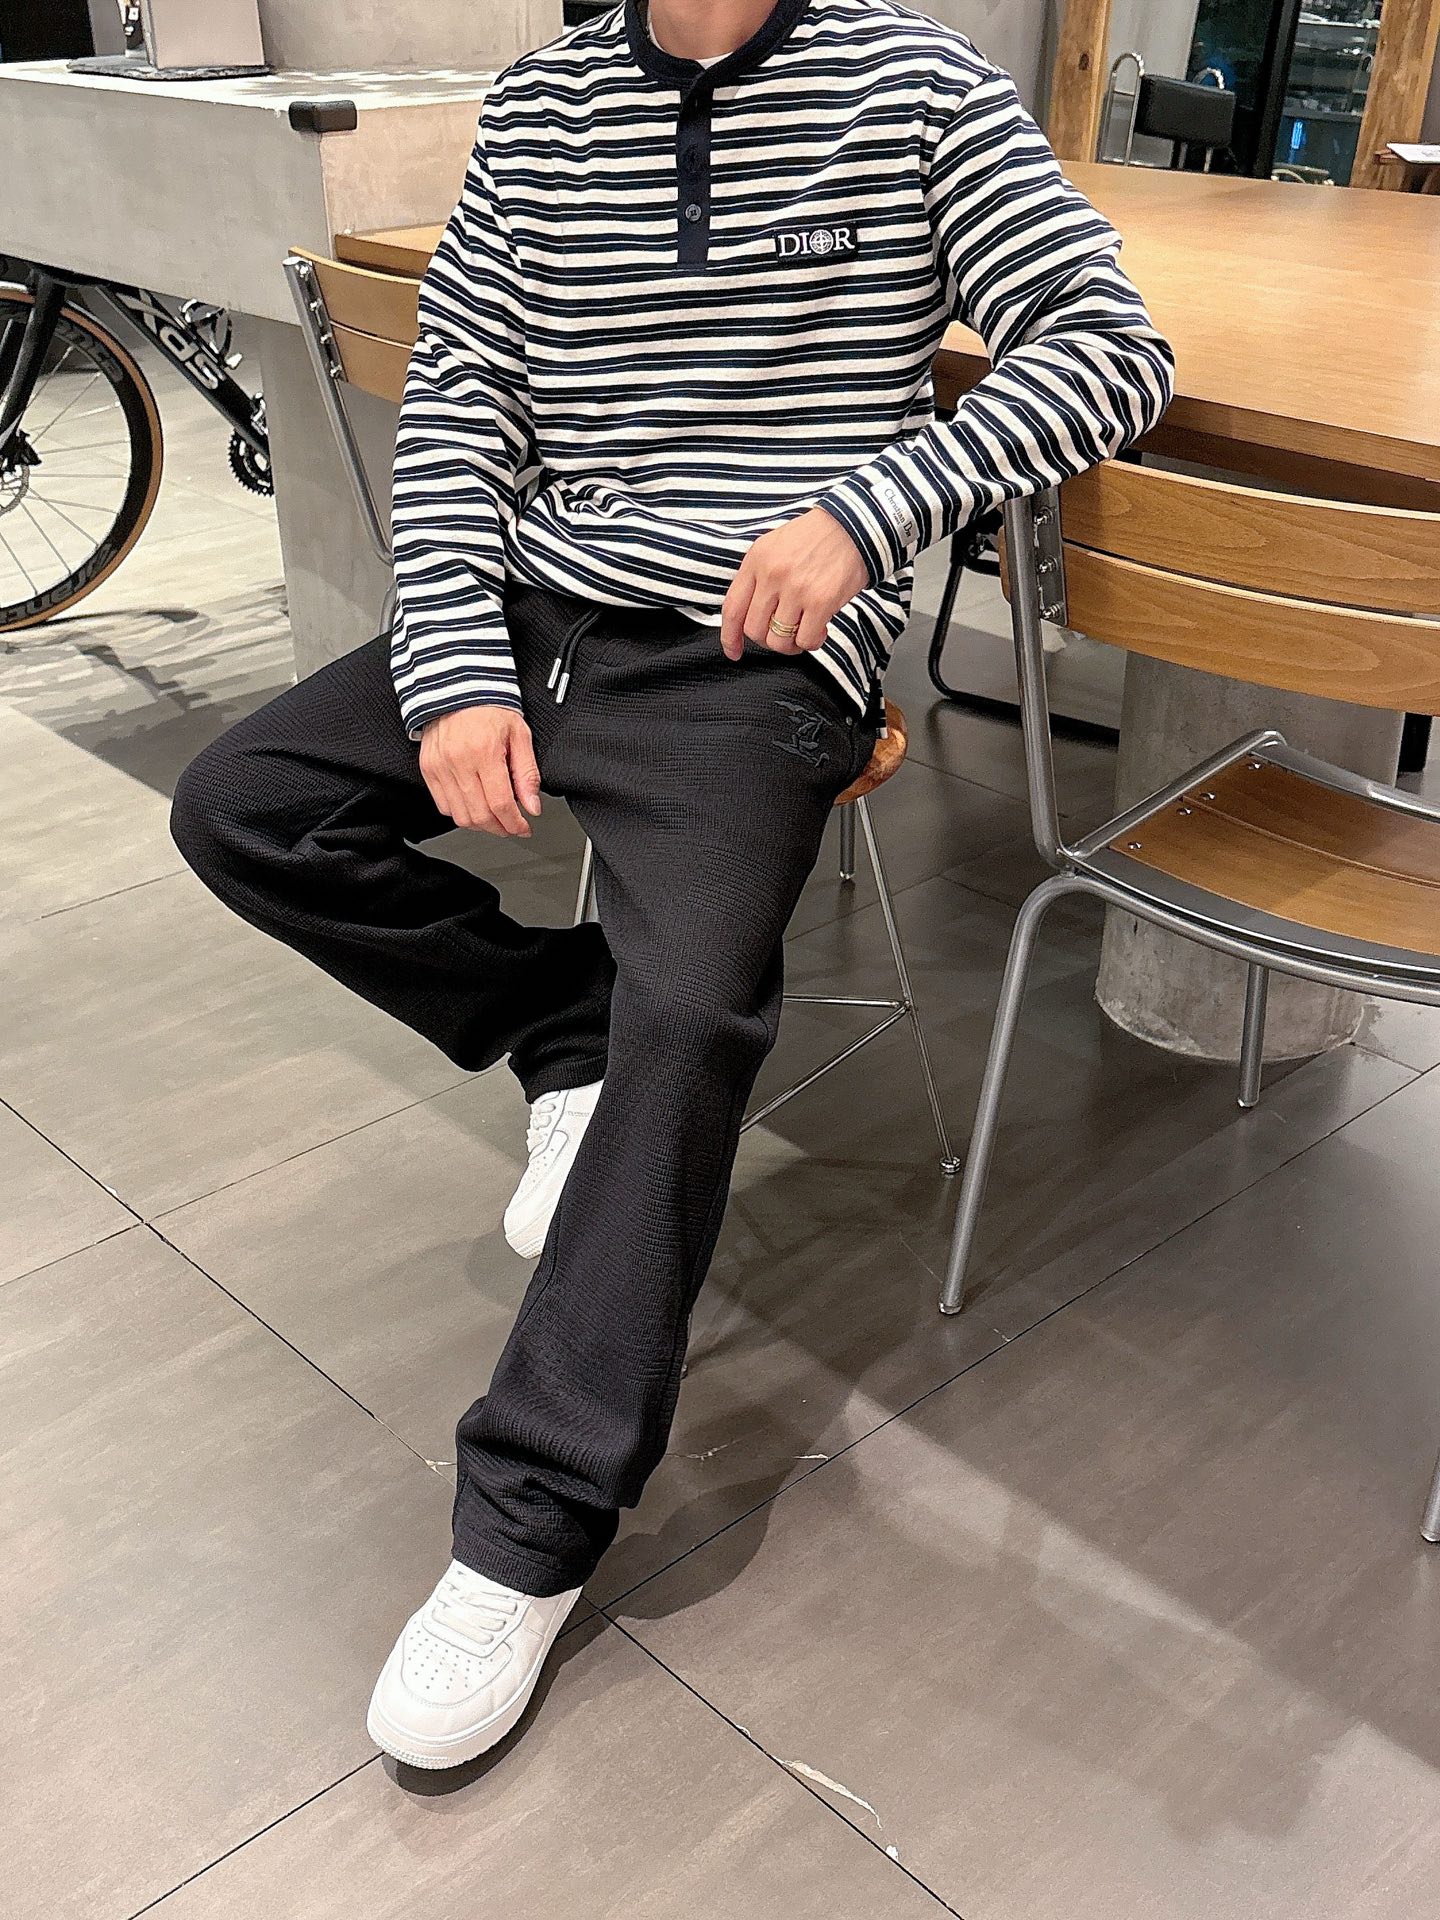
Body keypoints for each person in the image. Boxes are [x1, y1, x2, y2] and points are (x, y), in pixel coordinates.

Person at [171, 0, 1174, 1771]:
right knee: (243, 807)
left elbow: (1110, 346)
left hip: (750, 658)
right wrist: (453, 669)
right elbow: (462, 401)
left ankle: (529, 1523)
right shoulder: (545, 108)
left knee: (698, 1009)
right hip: (541, 606)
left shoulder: (916, 84)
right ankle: (566, 1027)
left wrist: (869, 513)